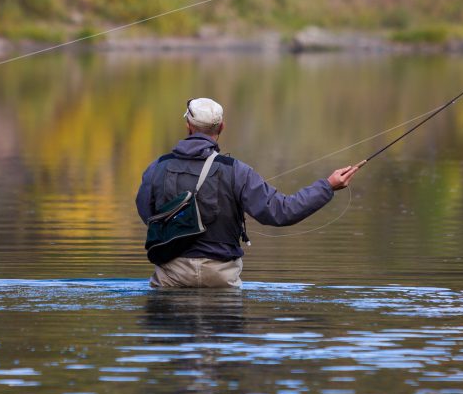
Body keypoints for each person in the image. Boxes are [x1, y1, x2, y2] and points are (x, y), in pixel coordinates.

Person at [135, 97, 361, 288]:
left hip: (172, 273)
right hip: (221, 275)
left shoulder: (158, 167)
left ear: (188, 126)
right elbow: (282, 211)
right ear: (221, 127)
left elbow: (147, 213)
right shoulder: (237, 171)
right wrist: (327, 186)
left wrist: (177, 229)